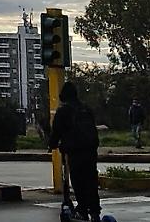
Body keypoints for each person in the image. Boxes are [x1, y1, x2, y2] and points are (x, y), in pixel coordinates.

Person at [50, 81, 101, 222]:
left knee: (78, 181)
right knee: (91, 180)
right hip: (90, 151)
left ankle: (83, 210)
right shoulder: (86, 109)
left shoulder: (63, 110)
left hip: (75, 152)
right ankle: (95, 212)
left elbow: (56, 132)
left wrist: (52, 144)